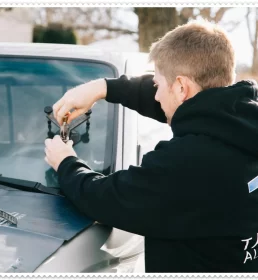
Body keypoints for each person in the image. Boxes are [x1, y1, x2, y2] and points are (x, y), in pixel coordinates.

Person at [44, 20, 258, 272]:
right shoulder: (242, 125)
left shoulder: (185, 164)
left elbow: (105, 198)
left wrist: (66, 162)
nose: (155, 95)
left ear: (181, 86)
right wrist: (103, 87)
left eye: (157, 85)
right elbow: (187, 105)